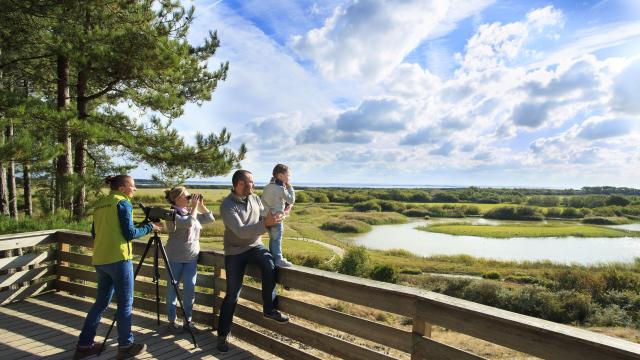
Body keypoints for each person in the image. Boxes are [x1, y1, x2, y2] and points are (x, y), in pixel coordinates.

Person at [74, 175, 162, 360]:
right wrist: (149, 228)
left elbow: (94, 232)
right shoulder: (123, 203)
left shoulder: (101, 204)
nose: (135, 189)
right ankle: (125, 346)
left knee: (100, 303)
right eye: (133, 186)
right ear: (122, 188)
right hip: (119, 259)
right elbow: (129, 233)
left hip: (100, 259)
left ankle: (84, 345)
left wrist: (141, 225)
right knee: (125, 304)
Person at [216, 170, 290, 353]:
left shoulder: (255, 199)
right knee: (232, 294)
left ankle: (269, 309)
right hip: (235, 251)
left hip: (254, 245)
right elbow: (240, 231)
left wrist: (280, 212)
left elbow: (265, 214)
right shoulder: (227, 205)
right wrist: (266, 224)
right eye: (251, 182)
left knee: (269, 263)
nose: (254, 185)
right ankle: (222, 336)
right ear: (240, 184)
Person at [163, 186, 214, 332]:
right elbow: (188, 223)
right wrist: (194, 207)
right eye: (186, 196)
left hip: (191, 257)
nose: (189, 199)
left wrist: (201, 206)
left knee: (189, 290)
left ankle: (188, 321)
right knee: (173, 289)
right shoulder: (171, 213)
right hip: (175, 256)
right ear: (177, 199)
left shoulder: (189, 211)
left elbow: (210, 218)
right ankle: (172, 321)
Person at [261, 164, 295, 267]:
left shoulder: (267, 187)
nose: (289, 178)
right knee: (276, 239)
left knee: (272, 238)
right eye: (288, 175)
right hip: (276, 217)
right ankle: (278, 259)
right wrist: (289, 187)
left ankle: (272, 256)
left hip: (265, 216)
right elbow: (291, 200)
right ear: (280, 176)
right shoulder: (280, 188)